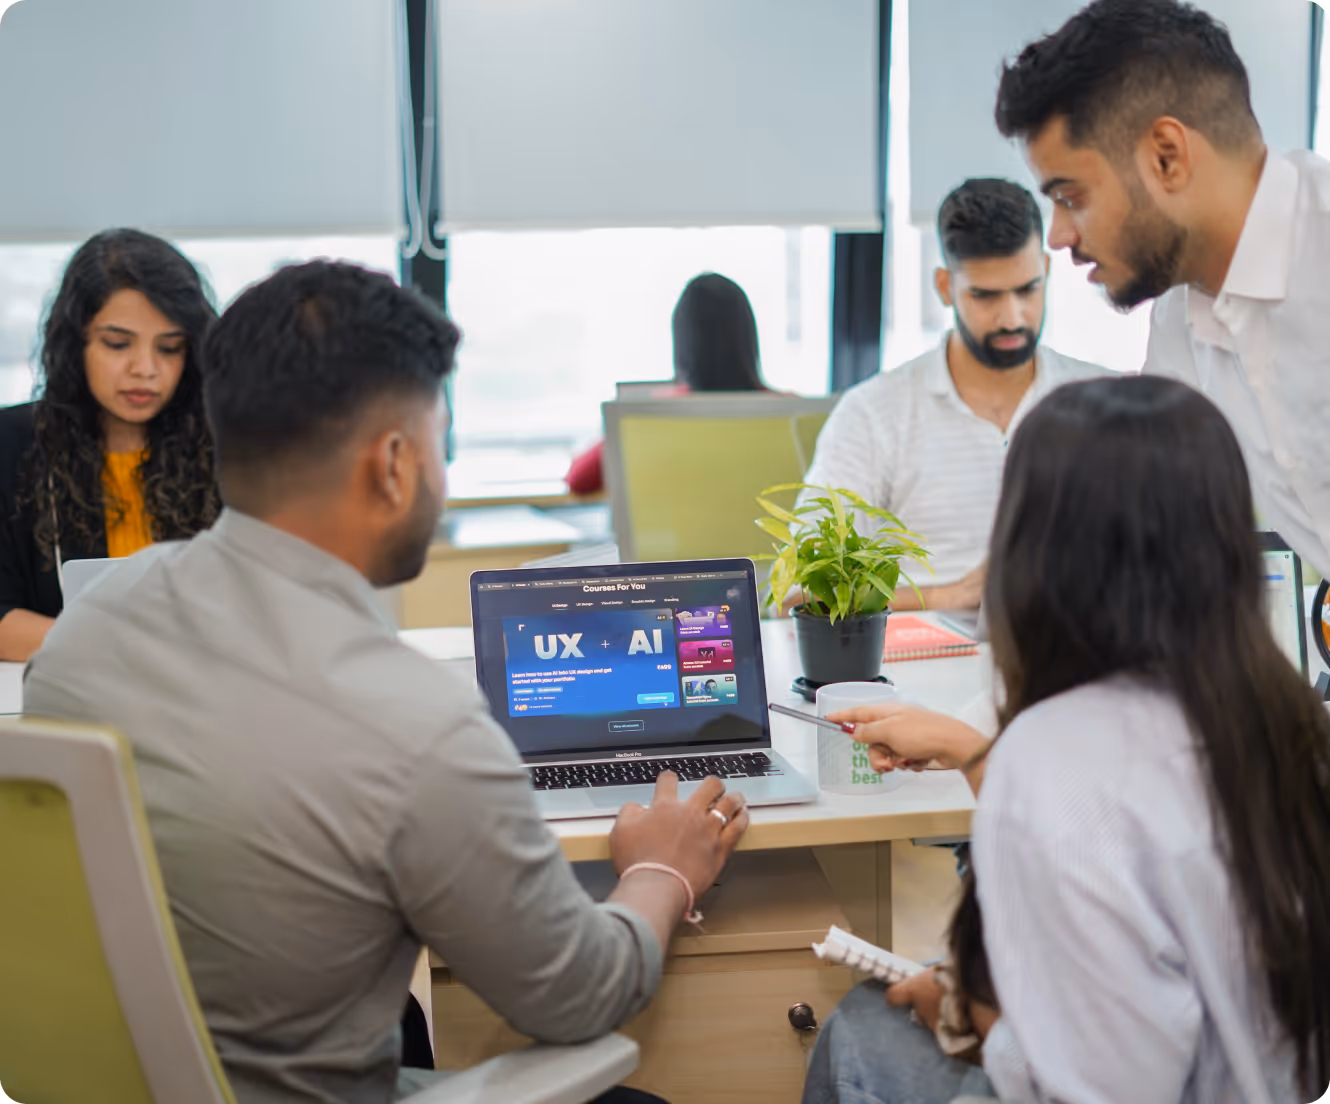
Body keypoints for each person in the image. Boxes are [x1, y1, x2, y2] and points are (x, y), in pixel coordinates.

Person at [24, 261, 750, 1103]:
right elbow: (579, 995)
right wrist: (662, 870)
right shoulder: (422, 724)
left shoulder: (89, 626)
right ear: (395, 464)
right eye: (439, 441)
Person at [802, 376, 1330, 1104]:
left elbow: (1107, 1086)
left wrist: (976, 1018)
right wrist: (987, 757)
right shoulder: (1289, 716)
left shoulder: (1056, 757)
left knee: (862, 1029)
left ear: (1031, 550)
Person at [995, 0, 1330, 580]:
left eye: (1071, 196)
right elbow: (1156, 507)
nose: (1057, 236)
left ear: (1167, 157)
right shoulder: (1182, 314)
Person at [800, 179, 1105, 611]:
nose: (1011, 318)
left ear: (1047, 272)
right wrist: (954, 596)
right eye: (984, 295)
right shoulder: (873, 414)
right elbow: (801, 592)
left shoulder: (1104, 401)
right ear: (945, 287)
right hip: (926, 663)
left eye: (1027, 289)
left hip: (1079, 656)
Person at [0, 228, 219, 661]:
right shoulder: (12, 443)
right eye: (118, 344)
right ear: (74, 341)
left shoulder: (224, 446)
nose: (145, 369)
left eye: (170, 348)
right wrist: (128, 648)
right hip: (61, 706)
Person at [565, 272, 778, 495]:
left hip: (665, 532)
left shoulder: (647, 416)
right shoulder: (795, 414)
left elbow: (578, 480)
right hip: (774, 531)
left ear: (683, 342)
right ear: (748, 337)